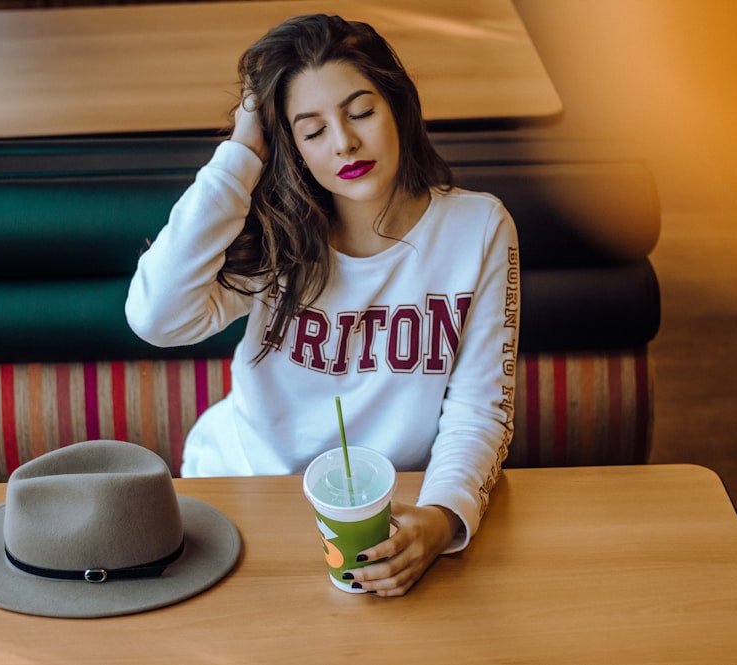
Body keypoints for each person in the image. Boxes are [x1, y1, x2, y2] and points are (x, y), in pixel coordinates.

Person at [126, 14, 519, 596]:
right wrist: (240, 153)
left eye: (360, 111)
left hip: (392, 502)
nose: (344, 143)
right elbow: (157, 318)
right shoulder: (277, 233)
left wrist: (442, 519)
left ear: (398, 108)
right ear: (290, 147)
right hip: (245, 488)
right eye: (312, 131)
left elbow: (480, 410)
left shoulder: (479, 227)